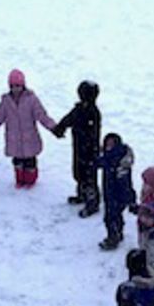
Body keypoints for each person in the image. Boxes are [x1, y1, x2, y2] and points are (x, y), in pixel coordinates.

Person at [0, 69, 58, 188]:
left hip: (29, 138)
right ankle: (20, 180)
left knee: (30, 162)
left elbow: (42, 116)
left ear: (23, 85)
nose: (15, 89)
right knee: (18, 162)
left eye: (18, 86)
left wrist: (54, 128)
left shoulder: (31, 99)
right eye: (12, 86)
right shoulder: (6, 101)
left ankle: (30, 181)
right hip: (14, 139)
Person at [52, 80, 102, 215]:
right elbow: (69, 119)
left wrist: (92, 148)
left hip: (90, 150)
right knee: (78, 172)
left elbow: (93, 133)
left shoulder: (93, 113)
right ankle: (82, 194)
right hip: (79, 147)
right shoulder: (79, 109)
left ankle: (93, 201)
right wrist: (60, 128)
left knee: (89, 176)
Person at [97, 133, 136, 250]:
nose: (108, 147)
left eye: (111, 144)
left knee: (110, 217)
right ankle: (118, 233)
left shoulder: (116, 162)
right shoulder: (114, 158)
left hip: (115, 195)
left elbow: (126, 183)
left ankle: (113, 238)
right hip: (112, 194)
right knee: (116, 216)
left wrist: (130, 199)